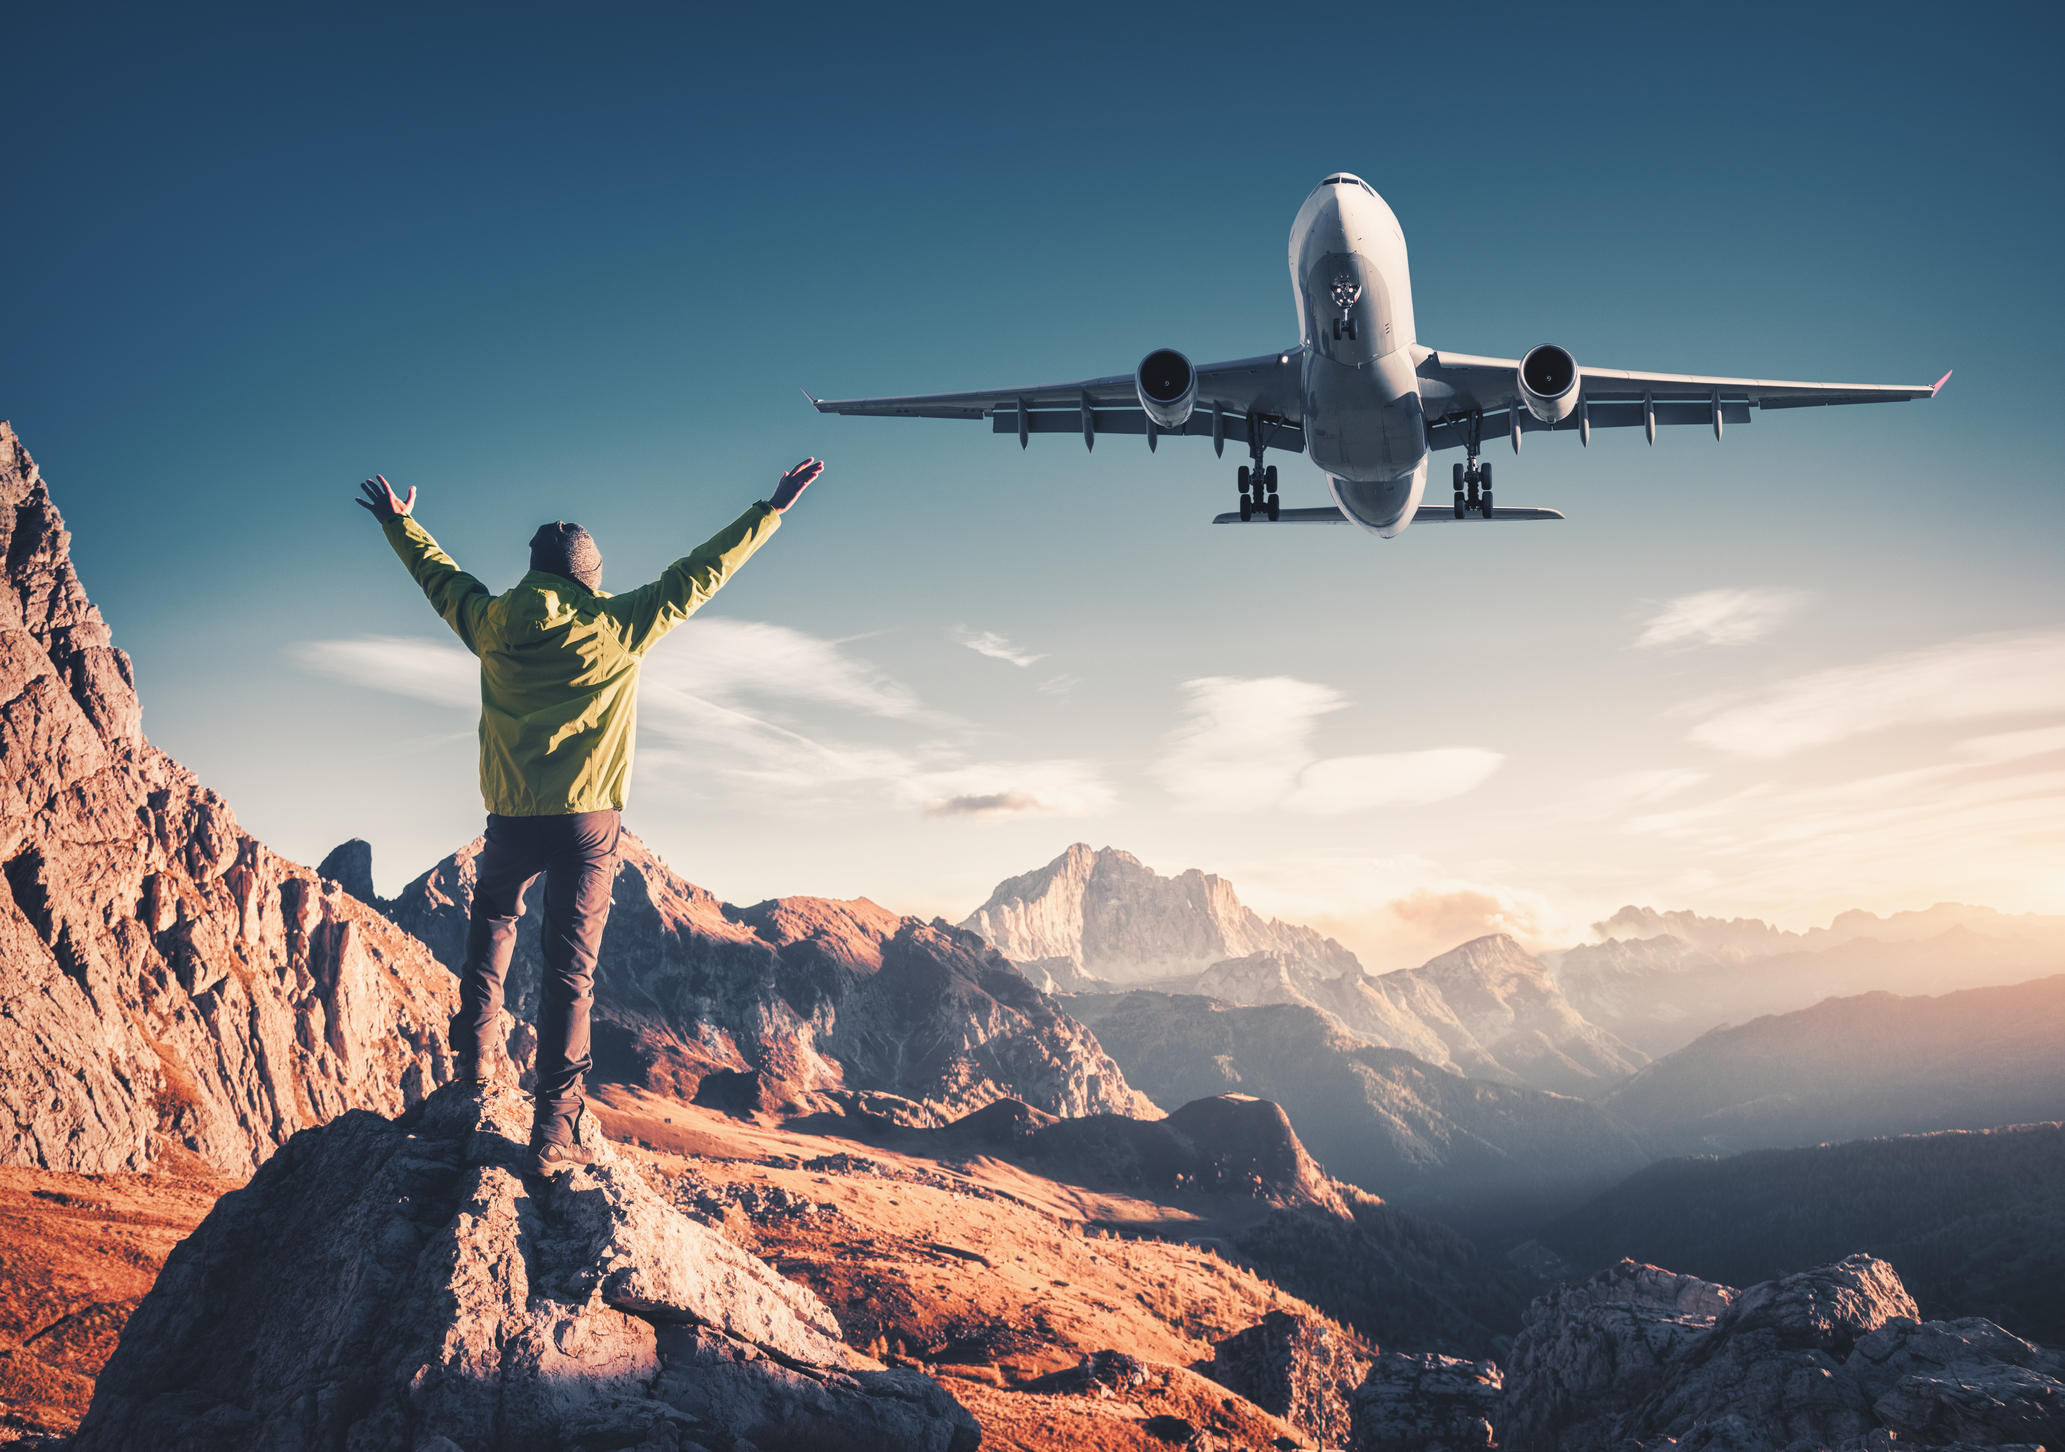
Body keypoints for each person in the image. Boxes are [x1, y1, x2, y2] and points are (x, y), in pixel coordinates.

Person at [355, 459, 824, 1174]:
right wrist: (773, 508)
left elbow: (440, 581)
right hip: (587, 822)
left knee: (490, 935)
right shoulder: (618, 624)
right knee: (570, 974)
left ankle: (475, 1069)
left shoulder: (489, 623)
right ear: (589, 577)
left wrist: (401, 523)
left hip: (511, 816)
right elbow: (699, 574)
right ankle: (554, 1128)